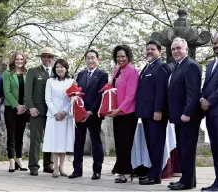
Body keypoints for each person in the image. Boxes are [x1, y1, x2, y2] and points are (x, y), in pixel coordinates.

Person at [167, 37, 202, 190]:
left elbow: (193, 92)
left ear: (186, 49)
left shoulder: (191, 66)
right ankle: (187, 179)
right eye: (173, 49)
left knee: (187, 150)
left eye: (178, 48)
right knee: (182, 149)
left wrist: (187, 112)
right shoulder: (177, 66)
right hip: (179, 117)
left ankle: (187, 182)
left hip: (188, 117)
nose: (175, 51)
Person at [68, 49, 108, 180]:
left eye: (93, 58)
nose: (90, 60)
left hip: (93, 113)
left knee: (95, 141)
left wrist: (91, 111)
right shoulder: (81, 74)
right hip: (80, 113)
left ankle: (97, 170)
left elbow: (101, 94)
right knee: (78, 141)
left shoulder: (102, 75)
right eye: (88, 58)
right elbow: (78, 92)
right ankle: (77, 169)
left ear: (97, 59)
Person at [136, 40, 171, 185]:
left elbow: (161, 91)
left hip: (155, 114)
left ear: (159, 51)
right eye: (147, 49)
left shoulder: (161, 66)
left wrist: (158, 110)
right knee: (151, 144)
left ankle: (156, 176)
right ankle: (152, 172)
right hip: (146, 113)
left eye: (152, 49)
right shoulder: (147, 67)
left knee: (157, 145)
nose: (149, 51)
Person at [200, 34, 218, 191]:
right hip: (211, 113)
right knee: (216, 149)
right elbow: (206, 86)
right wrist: (202, 99)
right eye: (215, 43)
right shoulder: (211, 64)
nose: (217, 45)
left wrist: (209, 101)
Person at [108, 45, 139, 183]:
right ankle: (121, 169)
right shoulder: (116, 70)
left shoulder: (132, 71)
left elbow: (130, 96)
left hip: (127, 113)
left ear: (128, 57)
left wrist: (118, 110)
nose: (120, 59)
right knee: (119, 144)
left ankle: (127, 173)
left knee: (126, 144)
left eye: (123, 56)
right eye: (118, 56)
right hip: (116, 114)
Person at [25, 47, 56, 176]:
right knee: (35, 139)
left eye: (49, 57)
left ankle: (48, 164)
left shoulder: (56, 72)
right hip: (37, 111)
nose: (46, 59)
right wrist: (31, 107)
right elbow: (27, 92)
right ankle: (33, 166)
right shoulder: (33, 71)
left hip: (52, 112)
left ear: (52, 58)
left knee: (50, 139)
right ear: (41, 58)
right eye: (44, 56)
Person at [43, 59, 75, 178]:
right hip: (53, 116)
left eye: (62, 67)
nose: (59, 69)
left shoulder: (71, 81)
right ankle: (55, 166)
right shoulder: (50, 81)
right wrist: (56, 112)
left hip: (66, 116)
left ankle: (62, 166)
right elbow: (48, 99)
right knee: (55, 141)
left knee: (63, 141)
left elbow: (72, 99)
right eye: (57, 67)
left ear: (66, 68)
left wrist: (64, 112)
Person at [3, 52, 29, 172]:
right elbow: (7, 92)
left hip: (23, 109)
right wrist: (17, 106)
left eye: (21, 59)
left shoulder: (27, 74)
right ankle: (11, 161)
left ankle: (19, 158)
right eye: (17, 59)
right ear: (13, 60)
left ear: (24, 60)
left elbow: (29, 92)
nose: (19, 61)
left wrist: (23, 107)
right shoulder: (8, 74)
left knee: (20, 135)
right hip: (11, 108)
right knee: (11, 135)